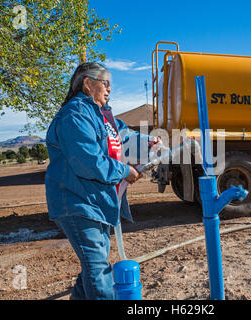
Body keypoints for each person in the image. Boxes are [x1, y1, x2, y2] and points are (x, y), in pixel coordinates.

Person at [45, 62, 160, 300]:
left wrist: (148, 141)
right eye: (105, 83)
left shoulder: (102, 115)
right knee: (98, 269)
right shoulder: (75, 115)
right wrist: (124, 171)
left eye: (110, 84)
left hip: (97, 202)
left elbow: (125, 134)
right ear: (88, 83)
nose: (109, 89)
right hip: (77, 201)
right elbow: (87, 160)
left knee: (93, 264)